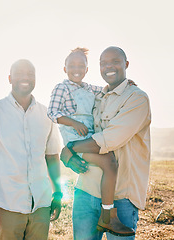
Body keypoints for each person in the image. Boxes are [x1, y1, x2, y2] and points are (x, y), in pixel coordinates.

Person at [60, 46, 151, 240]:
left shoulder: (137, 98)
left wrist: (69, 149)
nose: (109, 67)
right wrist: (70, 154)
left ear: (126, 65)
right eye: (103, 63)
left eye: (115, 62)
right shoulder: (97, 97)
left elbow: (109, 140)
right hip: (86, 190)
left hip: (121, 197)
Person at [47, 47, 134, 236]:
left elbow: (108, 90)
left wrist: (127, 85)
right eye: (72, 66)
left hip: (88, 138)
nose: (76, 69)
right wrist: (74, 122)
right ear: (64, 68)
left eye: (81, 66)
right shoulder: (61, 88)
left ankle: (106, 212)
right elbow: (52, 113)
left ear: (87, 70)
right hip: (74, 139)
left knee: (109, 164)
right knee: (109, 163)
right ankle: (108, 215)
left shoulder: (90, 89)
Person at [0, 59, 62, 240]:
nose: (25, 78)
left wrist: (58, 194)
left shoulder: (47, 115)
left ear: (36, 79)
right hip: (8, 204)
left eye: (30, 74)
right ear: (9, 78)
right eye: (19, 74)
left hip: (41, 204)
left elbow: (52, 157)